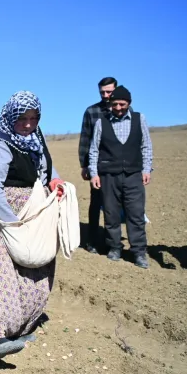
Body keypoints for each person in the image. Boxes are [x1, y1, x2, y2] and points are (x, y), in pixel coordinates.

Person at [0, 91, 65, 360]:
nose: (29, 124)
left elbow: (45, 164)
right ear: (11, 116)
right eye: (23, 119)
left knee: (33, 269)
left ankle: (21, 329)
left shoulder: (35, 136)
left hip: (29, 210)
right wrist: (12, 223)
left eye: (34, 118)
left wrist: (53, 181)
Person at [89, 85, 153, 269]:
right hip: (108, 175)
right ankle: (114, 247)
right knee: (111, 213)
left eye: (122, 104)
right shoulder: (102, 122)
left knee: (136, 214)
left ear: (129, 103)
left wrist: (147, 169)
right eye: (115, 104)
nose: (118, 108)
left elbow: (146, 146)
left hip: (134, 175)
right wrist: (94, 173)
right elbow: (94, 150)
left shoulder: (140, 120)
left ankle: (139, 252)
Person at [79, 77, 118, 254]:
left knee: (116, 206)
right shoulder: (92, 111)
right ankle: (92, 241)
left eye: (109, 91)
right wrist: (84, 165)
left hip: (119, 166)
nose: (105, 95)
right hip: (97, 166)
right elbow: (85, 139)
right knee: (96, 204)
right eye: (102, 92)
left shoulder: (126, 111)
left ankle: (112, 243)